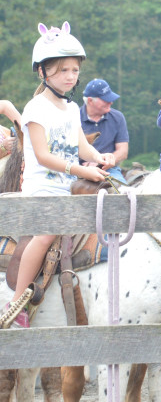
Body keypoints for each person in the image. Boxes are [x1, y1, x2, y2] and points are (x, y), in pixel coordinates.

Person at [1, 21, 113, 330]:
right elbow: (43, 156)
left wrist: (99, 158)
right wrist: (80, 169)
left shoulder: (72, 107)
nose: (70, 76)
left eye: (74, 70)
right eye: (62, 70)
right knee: (47, 233)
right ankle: (18, 299)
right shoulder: (36, 108)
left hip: (68, 187)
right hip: (43, 189)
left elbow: (81, 147)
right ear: (42, 72)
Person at [79, 78, 129, 184]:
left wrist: (104, 162)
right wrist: (86, 165)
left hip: (109, 170)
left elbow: (123, 151)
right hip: (79, 169)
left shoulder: (118, 117)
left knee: (122, 193)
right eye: (105, 99)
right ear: (90, 101)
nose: (110, 102)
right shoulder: (74, 118)